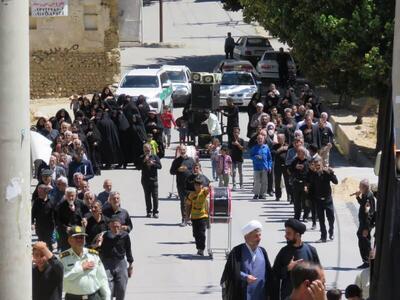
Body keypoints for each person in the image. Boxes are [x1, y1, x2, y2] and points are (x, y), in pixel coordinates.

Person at [220, 220, 273, 299]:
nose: (259, 238)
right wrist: (245, 277)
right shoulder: (237, 251)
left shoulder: (262, 251)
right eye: (256, 236)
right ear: (246, 237)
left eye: (260, 235)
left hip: (260, 295)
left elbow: (269, 273)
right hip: (242, 295)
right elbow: (230, 271)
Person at [273, 219, 320, 300]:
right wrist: (288, 268)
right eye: (285, 233)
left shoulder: (311, 250)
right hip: (288, 296)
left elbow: (319, 274)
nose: (285, 236)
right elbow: (274, 274)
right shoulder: (283, 252)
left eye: (288, 233)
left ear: (297, 235)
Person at [60, 226, 111, 300]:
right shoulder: (63, 258)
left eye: (82, 237)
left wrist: (107, 297)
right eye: (76, 237)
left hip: (93, 297)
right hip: (73, 298)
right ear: (69, 240)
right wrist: (81, 268)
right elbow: (63, 278)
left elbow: (102, 279)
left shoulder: (93, 255)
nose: (79, 240)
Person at [95, 216, 134, 300]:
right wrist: (98, 243)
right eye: (113, 227)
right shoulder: (104, 235)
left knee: (122, 287)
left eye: (117, 226)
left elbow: (128, 250)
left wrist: (130, 265)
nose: (116, 229)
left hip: (120, 263)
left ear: (120, 226)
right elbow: (94, 247)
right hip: (107, 263)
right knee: (108, 288)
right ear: (109, 226)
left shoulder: (125, 235)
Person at [308, 158, 338, 242]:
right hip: (318, 201)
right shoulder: (313, 175)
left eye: (318, 166)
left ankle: (331, 231)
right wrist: (310, 198)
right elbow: (312, 188)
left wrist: (332, 173)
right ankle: (323, 237)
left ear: (322, 165)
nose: (317, 168)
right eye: (316, 166)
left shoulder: (327, 173)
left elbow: (336, 182)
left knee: (331, 218)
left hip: (328, 200)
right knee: (321, 220)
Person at [170, 145, 196, 226]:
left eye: (184, 149)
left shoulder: (191, 160)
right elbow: (171, 172)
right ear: (178, 151)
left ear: (186, 150)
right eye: (181, 150)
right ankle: (184, 219)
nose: (182, 151)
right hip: (181, 184)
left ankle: (189, 219)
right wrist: (178, 169)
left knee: (191, 202)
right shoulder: (176, 161)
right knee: (183, 202)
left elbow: (196, 170)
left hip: (190, 184)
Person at [185, 177, 210, 256]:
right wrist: (187, 217)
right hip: (194, 217)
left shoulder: (204, 192)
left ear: (201, 185)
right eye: (196, 185)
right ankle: (198, 247)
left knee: (201, 233)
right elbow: (188, 205)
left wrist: (209, 187)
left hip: (203, 216)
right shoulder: (192, 195)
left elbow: (210, 190)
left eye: (199, 185)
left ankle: (201, 249)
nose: (197, 187)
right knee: (195, 234)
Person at [354, 179, 376, 269]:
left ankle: (368, 261)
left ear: (365, 187)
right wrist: (357, 197)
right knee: (363, 241)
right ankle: (367, 260)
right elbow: (362, 205)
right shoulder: (365, 195)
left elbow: (369, 214)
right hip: (364, 223)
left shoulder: (368, 197)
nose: (359, 188)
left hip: (365, 224)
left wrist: (366, 228)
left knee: (365, 242)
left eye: (360, 187)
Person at [140, 143, 162, 218]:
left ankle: (155, 212)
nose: (147, 151)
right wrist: (143, 161)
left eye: (148, 150)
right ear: (143, 150)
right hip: (145, 180)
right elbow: (138, 167)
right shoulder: (141, 157)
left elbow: (160, 166)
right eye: (145, 150)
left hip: (154, 180)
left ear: (151, 150)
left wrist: (153, 164)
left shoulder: (155, 157)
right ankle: (149, 211)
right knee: (147, 196)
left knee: (155, 197)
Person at [289, 147, 310, 221]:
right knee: (296, 201)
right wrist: (295, 167)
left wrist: (307, 185)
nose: (297, 153)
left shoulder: (308, 161)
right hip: (296, 183)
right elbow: (289, 169)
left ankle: (305, 216)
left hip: (305, 184)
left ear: (304, 153)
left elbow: (310, 174)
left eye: (299, 152)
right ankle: (297, 216)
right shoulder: (295, 161)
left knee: (306, 201)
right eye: (297, 152)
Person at [250, 134, 272, 199]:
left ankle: (262, 194)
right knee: (257, 181)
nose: (260, 140)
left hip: (264, 167)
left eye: (261, 139)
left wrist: (269, 166)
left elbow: (269, 158)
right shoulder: (254, 148)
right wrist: (255, 157)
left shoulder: (266, 147)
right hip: (256, 167)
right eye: (258, 139)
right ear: (257, 140)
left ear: (263, 140)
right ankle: (256, 194)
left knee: (264, 181)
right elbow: (251, 156)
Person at [272, 133, 290, 201]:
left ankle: (289, 196)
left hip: (286, 166)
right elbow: (273, 153)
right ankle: (278, 196)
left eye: (281, 138)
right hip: (277, 165)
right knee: (277, 181)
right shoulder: (275, 146)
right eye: (278, 138)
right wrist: (280, 150)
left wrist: (285, 148)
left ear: (284, 139)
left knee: (287, 181)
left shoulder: (288, 146)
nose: (279, 140)